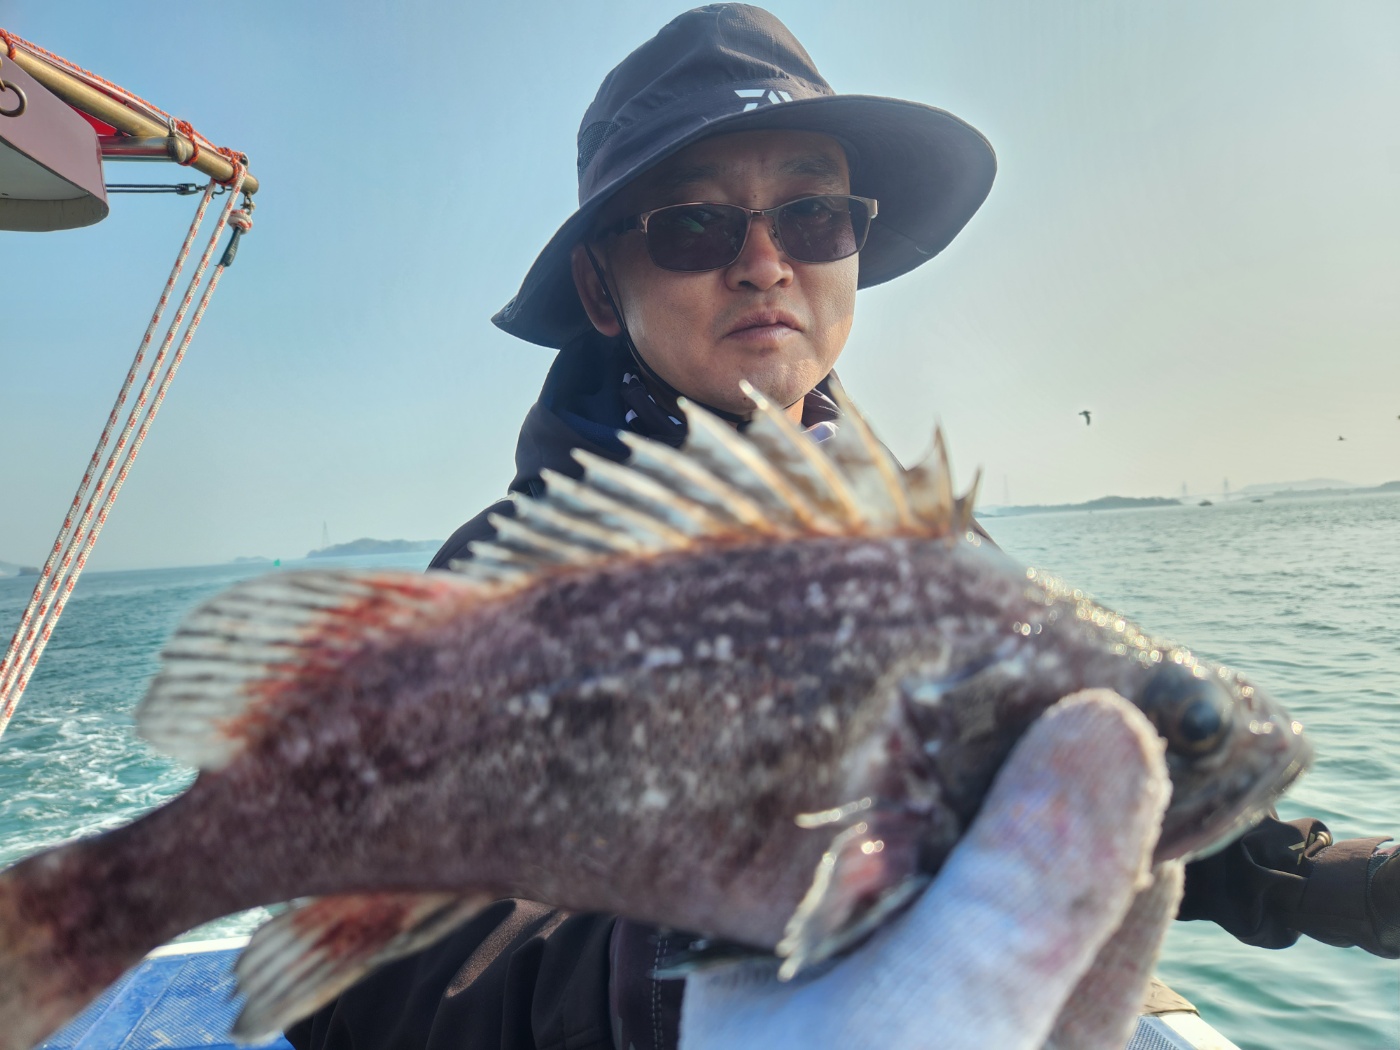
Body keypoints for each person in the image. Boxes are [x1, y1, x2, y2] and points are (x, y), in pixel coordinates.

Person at [287, 6, 1399, 1049]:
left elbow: (1080, 775)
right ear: (597, 288)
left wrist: (1327, 883)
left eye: (812, 215)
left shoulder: (924, 559)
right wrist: (683, 988)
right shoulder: (502, 587)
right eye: (692, 225)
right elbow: (349, 973)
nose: (765, 262)